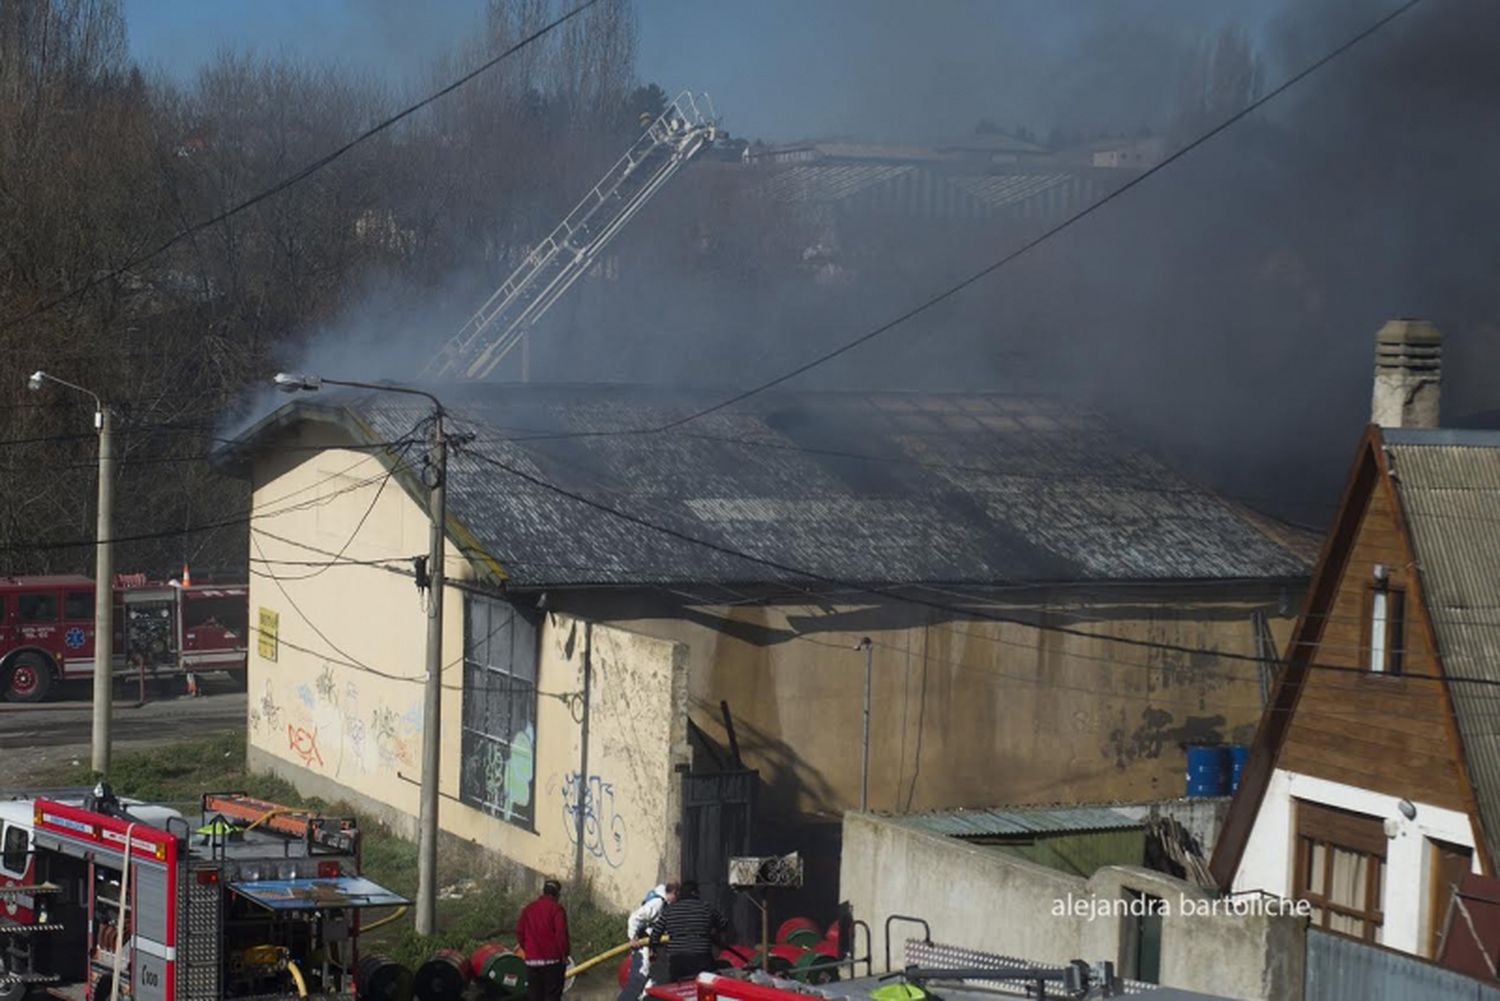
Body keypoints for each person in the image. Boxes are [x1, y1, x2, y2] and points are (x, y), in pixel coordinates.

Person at [649, 880, 731, 983]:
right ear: (695, 893)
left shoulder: (670, 910)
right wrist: (718, 937)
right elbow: (723, 923)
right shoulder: (706, 907)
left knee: (678, 989)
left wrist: (654, 950)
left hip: (677, 959)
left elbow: (655, 933)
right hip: (701, 956)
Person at [617, 882, 679, 1001]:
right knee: (639, 977)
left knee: (650, 979)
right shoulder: (658, 903)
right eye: (676, 897)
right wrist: (632, 937)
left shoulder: (663, 903)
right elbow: (635, 917)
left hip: (649, 944)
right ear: (673, 893)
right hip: (642, 942)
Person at [516, 879, 570, 1001]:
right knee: (552, 996)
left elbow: (520, 932)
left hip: (532, 962)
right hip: (552, 961)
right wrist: (564, 955)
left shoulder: (528, 909)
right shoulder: (557, 909)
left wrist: (528, 949)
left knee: (534, 996)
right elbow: (561, 935)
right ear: (557, 894)